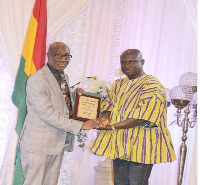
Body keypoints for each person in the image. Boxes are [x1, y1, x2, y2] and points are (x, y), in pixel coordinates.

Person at [90, 49, 176, 185]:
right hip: (120, 143)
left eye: (132, 62)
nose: (127, 65)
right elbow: (109, 104)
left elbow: (141, 117)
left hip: (142, 145)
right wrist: (105, 117)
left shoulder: (152, 85)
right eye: (123, 62)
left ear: (142, 62)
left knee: (137, 183)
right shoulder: (118, 84)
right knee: (119, 182)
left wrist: (111, 126)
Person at [19, 42, 99, 185]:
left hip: (56, 143)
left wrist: (76, 96)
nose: (63, 59)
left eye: (66, 56)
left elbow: (62, 104)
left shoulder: (63, 77)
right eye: (58, 55)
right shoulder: (37, 80)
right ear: (48, 55)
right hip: (38, 145)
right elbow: (47, 113)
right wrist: (81, 126)